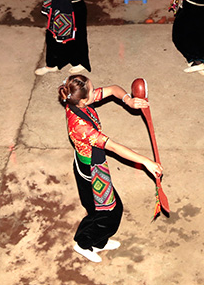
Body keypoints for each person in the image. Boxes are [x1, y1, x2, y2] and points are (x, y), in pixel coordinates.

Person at [58, 74, 162, 262]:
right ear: (83, 100)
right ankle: (83, 243)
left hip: (92, 162)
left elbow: (113, 89)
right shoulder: (81, 127)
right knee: (109, 213)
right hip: (90, 171)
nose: (96, 91)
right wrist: (146, 161)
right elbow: (113, 147)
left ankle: (99, 242)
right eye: (92, 90)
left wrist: (129, 101)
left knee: (100, 210)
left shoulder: (77, 100)